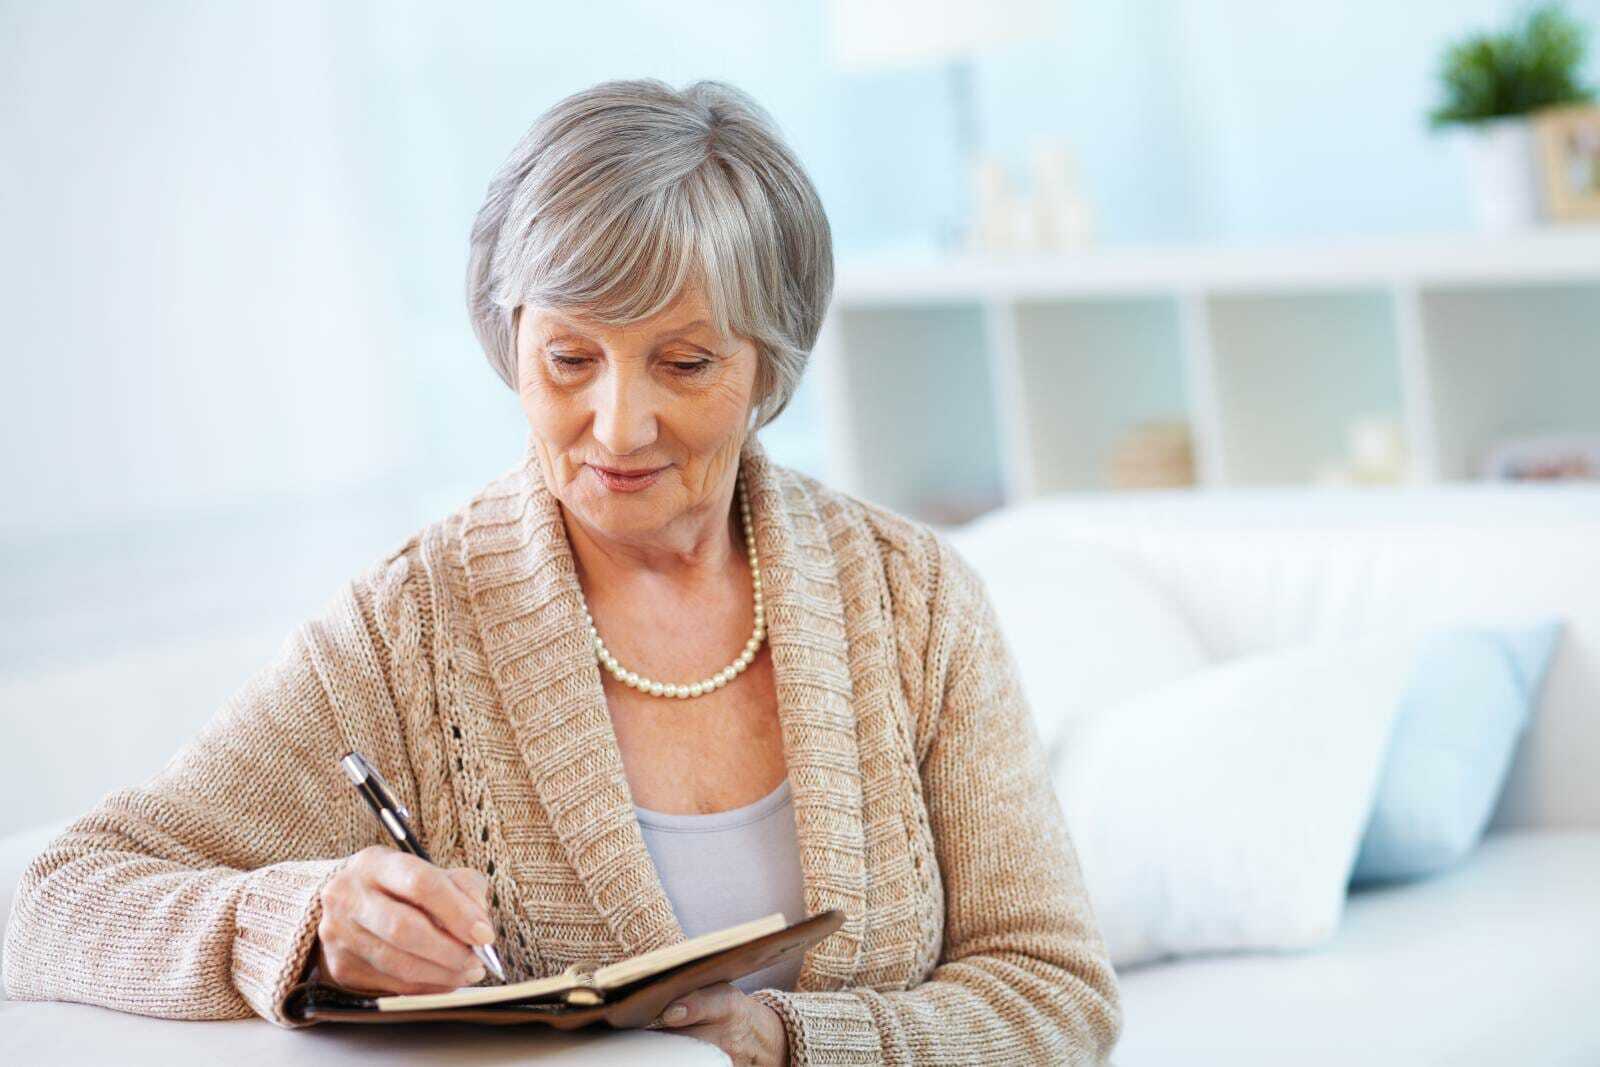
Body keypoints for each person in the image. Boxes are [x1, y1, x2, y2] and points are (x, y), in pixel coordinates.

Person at [1, 78, 1123, 1065]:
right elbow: (52, 899)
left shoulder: (912, 599)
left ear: (769, 366)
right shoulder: (410, 630)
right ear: (510, 343)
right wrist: (306, 924)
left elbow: (1056, 992)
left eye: (684, 361)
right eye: (570, 358)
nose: (617, 424)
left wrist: (790, 1044)